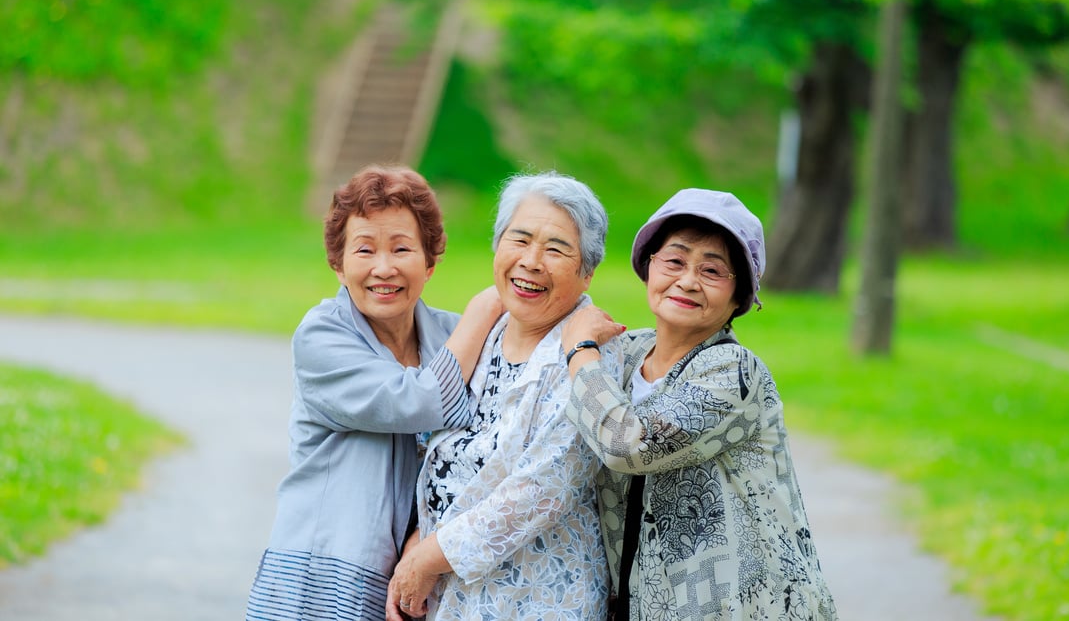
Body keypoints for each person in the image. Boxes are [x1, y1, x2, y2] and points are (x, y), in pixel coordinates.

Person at [560, 188, 839, 621]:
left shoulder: (734, 371)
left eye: (712, 271)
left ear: (738, 297)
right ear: (648, 267)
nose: (688, 281)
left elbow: (627, 445)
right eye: (674, 261)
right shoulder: (624, 354)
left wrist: (579, 350)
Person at [245, 164, 502, 621]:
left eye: (402, 248)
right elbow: (421, 401)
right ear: (339, 266)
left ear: (430, 262)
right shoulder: (321, 336)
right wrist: (484, 310)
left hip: (418, 578)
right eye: (364, 250)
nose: (384, 268)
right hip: (321, 580)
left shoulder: (449, 335)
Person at [385, 172, 616, 621]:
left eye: (556, 249)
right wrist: (419, 538)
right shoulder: (482, 333)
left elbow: (541, 490)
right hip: (456, 599)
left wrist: (424, 560)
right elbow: (435, 445)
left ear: (587, 273)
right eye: (520, 239)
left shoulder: (591, 354)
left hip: (536, 602)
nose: (531, 261)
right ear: (497, 247)